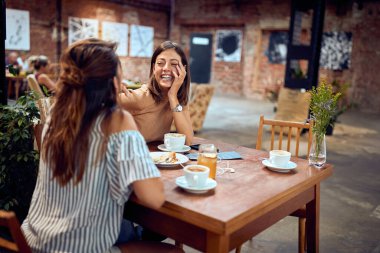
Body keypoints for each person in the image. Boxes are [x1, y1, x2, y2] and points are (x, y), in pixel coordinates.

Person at [21, 39, 180, 253]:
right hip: (81, 249)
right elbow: (154, 197)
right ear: (114, 83)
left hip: (31, 243)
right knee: (174, 251)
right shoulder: (117, 121)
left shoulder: (56, 114)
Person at [119, 41, 193, 145]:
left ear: (183, 70)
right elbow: (96, 102)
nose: (166, 68)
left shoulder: (177, 100)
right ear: (154, 68)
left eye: (174, 64)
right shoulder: (141, 97)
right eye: (160, 63)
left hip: (154, 157)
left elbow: (188, 141)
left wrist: (172, 97)